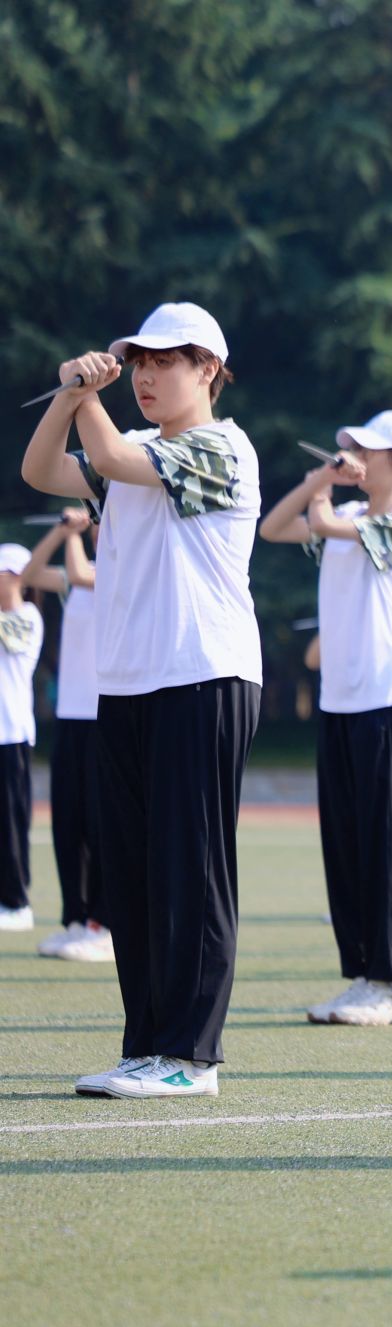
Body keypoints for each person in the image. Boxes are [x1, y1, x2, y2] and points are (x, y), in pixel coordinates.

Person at [22, 301, 262, 1099]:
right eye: (139, 363)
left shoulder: (222, 447)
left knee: (190, 869)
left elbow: (113, 458)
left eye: (165, 361)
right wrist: (71, 396)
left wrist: (85, 393)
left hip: (203, 675)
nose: (147, 376)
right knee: (133, 876)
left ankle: (192, 1055)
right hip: (128, 682)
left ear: (208, 370)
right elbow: (41, 471)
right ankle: (148, 1045)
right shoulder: (134, 449)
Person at [258, 409, 392, 1026]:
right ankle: (364, 976)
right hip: (341, 701)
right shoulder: (351, 516)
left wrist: (324, 489)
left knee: (389, 846)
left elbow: (324, 523)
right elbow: (273, 528)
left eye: (370, 450)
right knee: (347, 844)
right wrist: (319, 482)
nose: (357, 456)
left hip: (388, 699)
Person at [21, 511, 108, 958]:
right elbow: (30, 574)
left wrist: (72, 534)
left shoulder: (121, 569)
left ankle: (104, 924)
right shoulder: (80, 573)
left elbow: (77, 573)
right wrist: (61, 530)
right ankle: (76, 919)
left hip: (105, 715)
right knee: (68, 823)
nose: (95, 528)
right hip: (71, 715)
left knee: (101, 823)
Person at [0, 544, 46, 934]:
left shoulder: (28, 616)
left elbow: (11, 638)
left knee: (10, 824)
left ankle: (16, 903)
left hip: (11, 735)